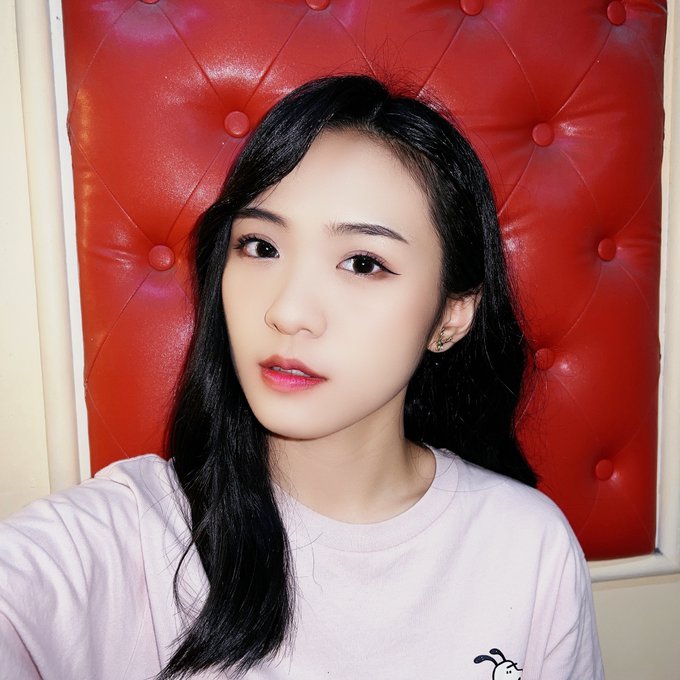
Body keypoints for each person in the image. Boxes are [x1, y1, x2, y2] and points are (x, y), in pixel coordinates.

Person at [0, 75, 604, 680]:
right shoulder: (128, 536)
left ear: (450, 315)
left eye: (362, 263)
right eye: (261, 247)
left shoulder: (528, 548)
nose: (287, 312)